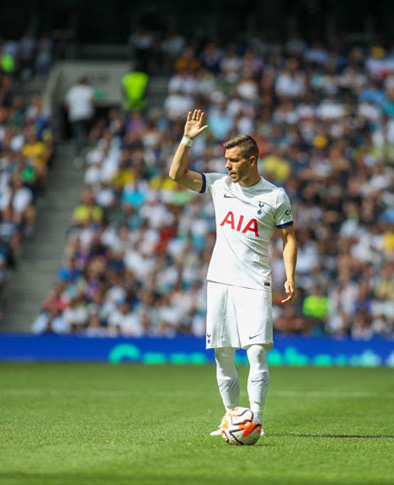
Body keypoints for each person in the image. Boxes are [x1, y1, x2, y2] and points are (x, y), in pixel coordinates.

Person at [168, 109, 297, 436]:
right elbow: (176, 174)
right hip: (220, 281)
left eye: (234, 160)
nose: (227, 165)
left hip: (255, 283)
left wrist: (290, 275)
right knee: (223, 357)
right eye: (226, 160)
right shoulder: (219, 185)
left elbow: (289, 237)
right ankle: (231, 419)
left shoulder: (274, 196)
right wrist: (186, 140)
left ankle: (256, 420)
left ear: (252, 161)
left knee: (256, 352)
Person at [65, 76, 95, 161]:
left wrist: (71, 110)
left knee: (77, 134)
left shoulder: (72, 90)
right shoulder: (88, 89)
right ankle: (85, 148)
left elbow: (67, 105)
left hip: (75, 115)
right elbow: (91, 101)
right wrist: (93, 111)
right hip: (86, 114)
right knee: (84, 132)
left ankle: (78, 154)